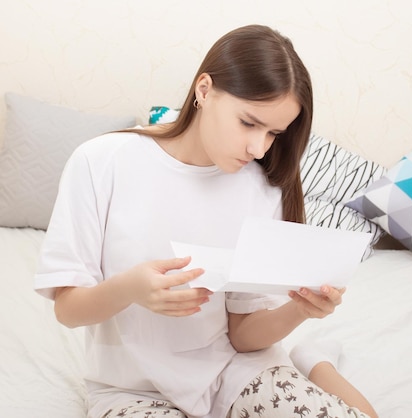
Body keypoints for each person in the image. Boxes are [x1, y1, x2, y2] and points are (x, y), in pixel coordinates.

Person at [34, 24, 377, 418]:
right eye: (249, 123)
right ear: (204, 90)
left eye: (274, 133)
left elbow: (243, 336)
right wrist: (131, 288)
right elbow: (67, 310)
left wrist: (301, 309)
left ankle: (315, 361)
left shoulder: (262, 188)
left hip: (238, 373)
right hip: (132, 391)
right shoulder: (101, 162)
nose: (258, 146)